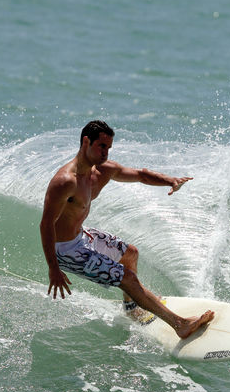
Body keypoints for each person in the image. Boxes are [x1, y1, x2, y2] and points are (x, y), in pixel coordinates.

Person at [40, 120, 214, 339]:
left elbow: (140, 175)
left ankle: (132, 309)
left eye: (109, 148)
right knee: (128, 278)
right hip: (64, 250)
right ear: (86, 142)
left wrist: (170, 180)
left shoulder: (102, 171)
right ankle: (179, 324)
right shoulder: (65, 181)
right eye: (101, 146)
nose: (105, 153)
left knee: (131, 253)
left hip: (82, 236)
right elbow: (46, 224)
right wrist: (53, 268)